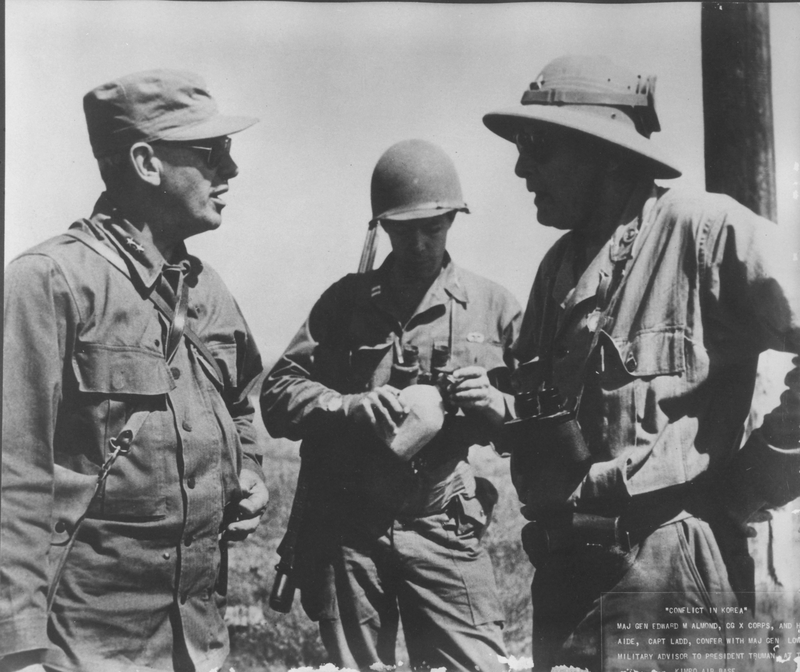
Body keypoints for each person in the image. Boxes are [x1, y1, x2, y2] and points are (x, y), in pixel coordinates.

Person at [483, 55, 800, 671]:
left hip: (669, 577)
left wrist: (754, 483)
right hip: (567, 577)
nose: (522, 168)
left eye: (537, 145)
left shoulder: (703, 232)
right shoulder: (558, 268)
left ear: (604, 152)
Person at [1, 70, 269, 672]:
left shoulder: (207, 291)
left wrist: (248, 470)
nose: (230, 171)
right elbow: (11, 475)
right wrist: (18, 654)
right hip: (83, 650)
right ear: (146, 162)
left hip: (197, 642)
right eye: (211, 152)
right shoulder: (49, 282)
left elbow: (242, 404)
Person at [261, 139, 520, 672]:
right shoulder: (345, 302)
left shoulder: (493, 306)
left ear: (453, 220)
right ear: (382, 227)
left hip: (445, 523)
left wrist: (498, 404)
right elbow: (279, 393)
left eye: (434, 227)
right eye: (404, 230)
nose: (420, 243)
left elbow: (542, 414)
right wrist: (347, 406)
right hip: (353, 530)